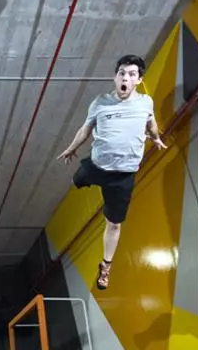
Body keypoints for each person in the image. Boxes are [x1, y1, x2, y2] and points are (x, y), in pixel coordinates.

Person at [57, 55, 166, 290]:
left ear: (139, 80)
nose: (125, 78)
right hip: (97, 167)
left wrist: (156, 138)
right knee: (78, 180)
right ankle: (82, 178)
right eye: (121, 74)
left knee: (114, 224)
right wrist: (71, 148)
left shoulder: (145, 103)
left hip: (123, 176)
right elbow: (85, 129)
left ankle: (106, 265)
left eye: (131, 74)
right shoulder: (100, 103)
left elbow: (151, 123)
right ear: (115, 77)